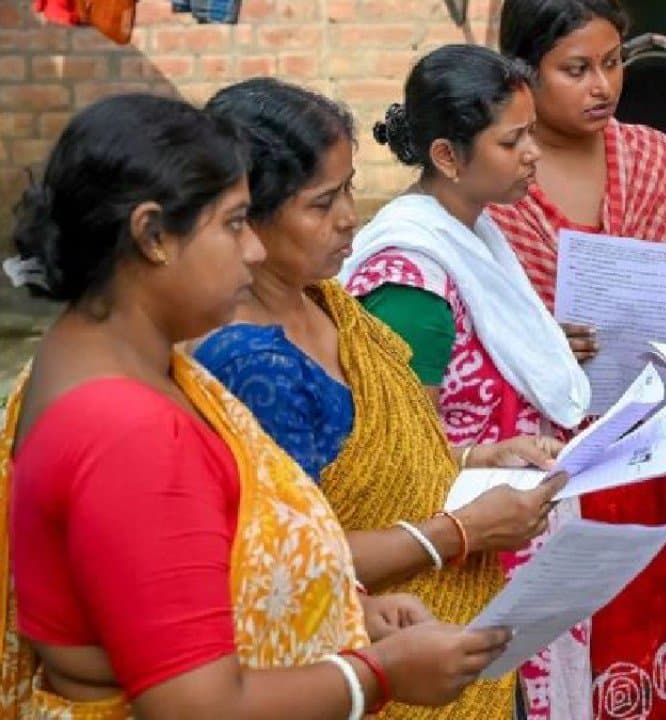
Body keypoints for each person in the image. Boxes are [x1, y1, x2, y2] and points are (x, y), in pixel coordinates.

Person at [0, 93, 510, 718]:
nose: (255, 251)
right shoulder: (126, 431)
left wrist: (344, 607)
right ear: (154, 235)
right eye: (235, 223)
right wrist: (379, 675)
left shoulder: (103, 360)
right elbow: (198, 707)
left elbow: (179, 585)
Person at [194, 77, 565, 719]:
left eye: (348, 189)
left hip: (448, 644)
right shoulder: (252, 365)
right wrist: (457, 533)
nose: (349, 217)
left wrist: (472, 459)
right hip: (380, 664)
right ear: (245, 216)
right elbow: (281, 561)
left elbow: (383, 452)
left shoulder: (328, 299)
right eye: (321, 203)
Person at [490, 1, 666, 717]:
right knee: (580, 671)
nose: (602, 85)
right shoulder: (497, 185)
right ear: (522, 72)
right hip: (561, 470)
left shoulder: (658, 158)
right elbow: (475, 346)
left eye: (613, 63)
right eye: (576, 69)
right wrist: (540, 344)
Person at [340, 45, 595, 719]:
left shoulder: (474, 235)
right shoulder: (411, 279)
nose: (532, 153)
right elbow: (397, 461)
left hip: (500, 552)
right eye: (512, 140)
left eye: (531, 133)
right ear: (449, 157)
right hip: (445, 578)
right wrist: (481, 456)